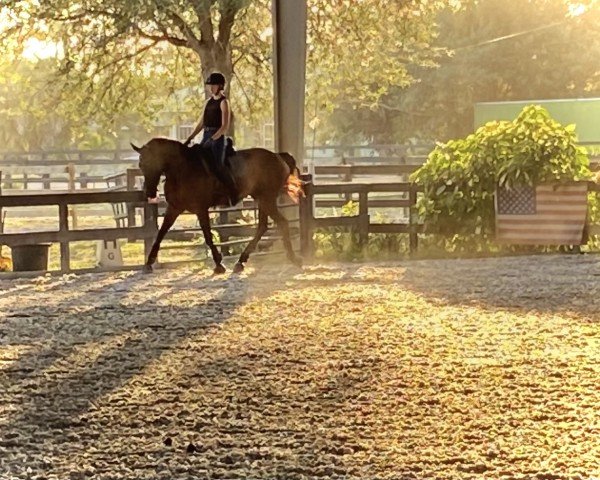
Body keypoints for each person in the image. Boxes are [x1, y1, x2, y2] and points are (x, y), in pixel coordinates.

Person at [184, 72, 238, 206]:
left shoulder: (224, 102)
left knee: (218, 166)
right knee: (196, 162)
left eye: (213, 85)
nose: (211, 88)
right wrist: (190, 137)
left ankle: (232, 192)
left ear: (220, 86)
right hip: (206, 135)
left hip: (218, 137)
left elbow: (224, 126)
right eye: (210, 85)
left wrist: (214, 138)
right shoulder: (208, 102)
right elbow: (202, 123)